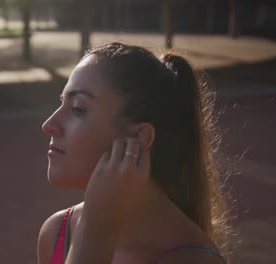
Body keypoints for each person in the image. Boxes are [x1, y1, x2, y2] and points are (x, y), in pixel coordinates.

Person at [38, 42, 231, 264]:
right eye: (61, 103)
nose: (48, 124)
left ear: (138, 138)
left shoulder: (191, 259)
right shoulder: (57, 233)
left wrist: (95, 230)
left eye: (77, 109)